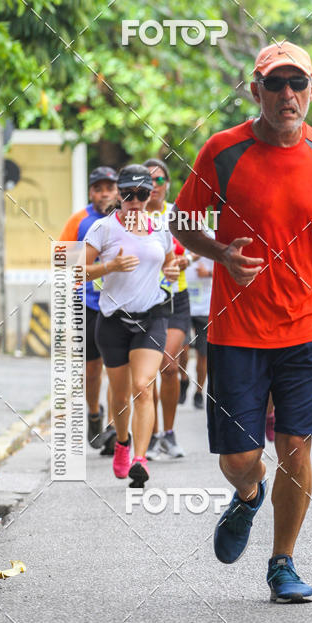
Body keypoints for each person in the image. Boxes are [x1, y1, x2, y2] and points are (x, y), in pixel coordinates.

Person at [171, 41, 312, 603]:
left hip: (306, 323)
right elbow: (183, 225)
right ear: (255, 90)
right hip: (236, 328)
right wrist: (221, 253)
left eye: (296, 84)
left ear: (311, 90)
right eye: (274, 84)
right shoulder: (222, 152)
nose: (287, 95)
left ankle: (283, 563)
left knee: (296, 445)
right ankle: (248, 494)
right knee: (239, 458)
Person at [83, 165, 179, 487]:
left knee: (143, 386)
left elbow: (168, 263)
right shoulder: (103, 229)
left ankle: (140, 459)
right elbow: (73, 270)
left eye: (142, 194)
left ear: (151, 196)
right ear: (119, 195)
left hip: (151, 317)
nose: (135, 201)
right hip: (112, 322)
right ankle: (122, 443)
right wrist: (109, 265)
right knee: (121, 395)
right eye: (128, 194)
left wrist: (172, 273)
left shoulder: (160, 228)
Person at [59, 166, 118, 450]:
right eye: (98, 188)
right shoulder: (80, 220)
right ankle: (94, 414)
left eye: (109, 187)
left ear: (118, 190)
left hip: (120, 304)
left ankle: (115, 429)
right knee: (92, 369)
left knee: (118, 367)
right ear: (91, 192)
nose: (104, 193)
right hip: (89, 303)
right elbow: (62, 259)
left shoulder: (126, 219)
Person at [142, 158, 190, 461]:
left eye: (160, 180)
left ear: (167, 184)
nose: (155, 186)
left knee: (169, 365)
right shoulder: (131, 219)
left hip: (176, 299)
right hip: (145, 301)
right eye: (149, 180)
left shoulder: (177, 215)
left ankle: (169, 434)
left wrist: (188, 261)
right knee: (146, 374)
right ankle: (152, 433)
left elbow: (200, 247)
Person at [181, 226, 215, 409]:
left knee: (203, 354)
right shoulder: (177, 232)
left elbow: (225, 269)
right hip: (182, 303)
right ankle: (183, 378)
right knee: (182, 349)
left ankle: (199, 391)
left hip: (205, 304)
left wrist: (208, 273)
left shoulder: (212, 236)